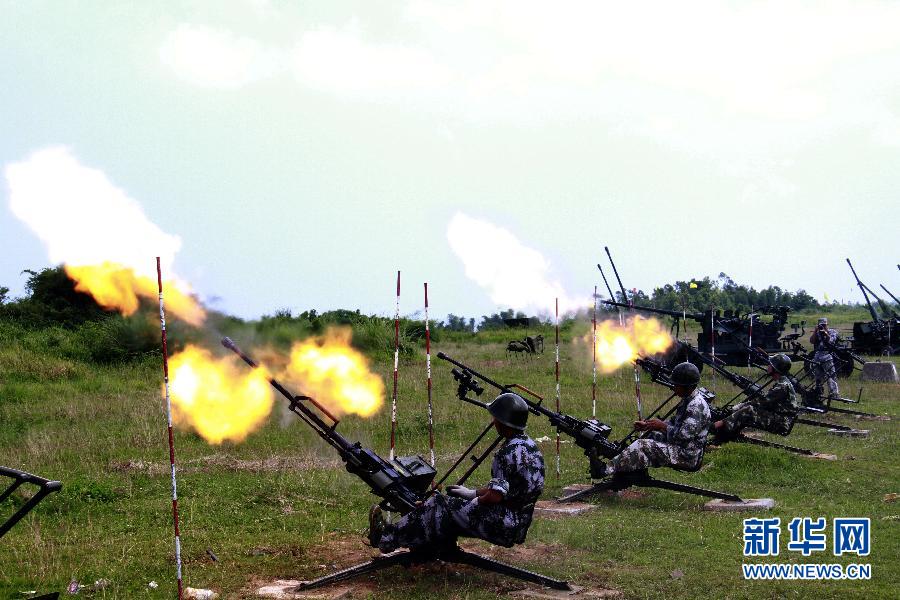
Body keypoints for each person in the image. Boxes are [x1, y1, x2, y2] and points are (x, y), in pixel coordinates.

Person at [368, 392, 544, 553]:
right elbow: (507, 490)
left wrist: (476, 501)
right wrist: (471, 493)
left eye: (495, 418)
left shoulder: (506, 453)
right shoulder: (530, 447)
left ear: (503, 421)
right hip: (518, 523)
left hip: (501, 524)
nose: (493, 421)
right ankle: (419, 539)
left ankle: (385, 538)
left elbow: (495, 496)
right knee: (448, 504)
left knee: (438, 504)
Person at [592, 362, 710, 477]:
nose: (673, 388)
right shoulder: (688, 399)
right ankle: (628, 469)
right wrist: (649, 425)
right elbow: (675, 423)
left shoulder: (696, 406)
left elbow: (682, 437)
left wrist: (661, 426)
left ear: (687, 387)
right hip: (683, 449)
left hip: (687, 456)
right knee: (649, 435)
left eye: (676, 385)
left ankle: (604, 470)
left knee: (643, 445)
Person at [711, 353, 801, 442]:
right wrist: (738, 407)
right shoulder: (783, 383)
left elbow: (761, 402)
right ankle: (720, 438)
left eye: (770, 364)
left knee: (748, 411)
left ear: (775, 368)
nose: (768, 366)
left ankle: (716, 426)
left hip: (782, 423)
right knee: (744, 411)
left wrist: (740, 406)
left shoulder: (782, 386)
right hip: (780, 419)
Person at [810, 317, 840, 399]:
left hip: (827, 355)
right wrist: (815, 331)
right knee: (818, 376)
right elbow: (812, 341)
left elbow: (831, 341)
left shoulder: (832, 332)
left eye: (824, 325)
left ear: (827, 324)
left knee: (831, 375)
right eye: (821, 325)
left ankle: (834, 394)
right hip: (818, 356)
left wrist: (826, 333)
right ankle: (819, 393)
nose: (823, 327)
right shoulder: (817, 333)